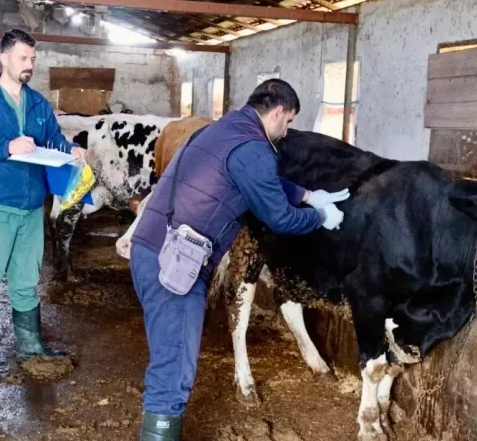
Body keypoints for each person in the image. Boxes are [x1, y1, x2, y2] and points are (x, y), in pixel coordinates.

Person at [128, 79, 349, 440]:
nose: (286, 131)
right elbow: (280, 218)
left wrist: (309, 195)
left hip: (150, 248)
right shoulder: (255, 148)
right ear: (277, 113)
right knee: (173, 368)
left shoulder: (225, 129)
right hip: (174, 262)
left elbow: (260, 179)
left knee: (169, 355)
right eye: (288, 122)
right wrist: (320, 217)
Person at [0, 29, 87, 384]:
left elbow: (52, 139)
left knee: (27, 278)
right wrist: (7, 146)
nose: (29, 65)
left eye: (33, 59)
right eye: (23, 58)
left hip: (29, 207)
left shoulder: (38, 103)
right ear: (4, 58)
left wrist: (70, 149)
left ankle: (31, 346)